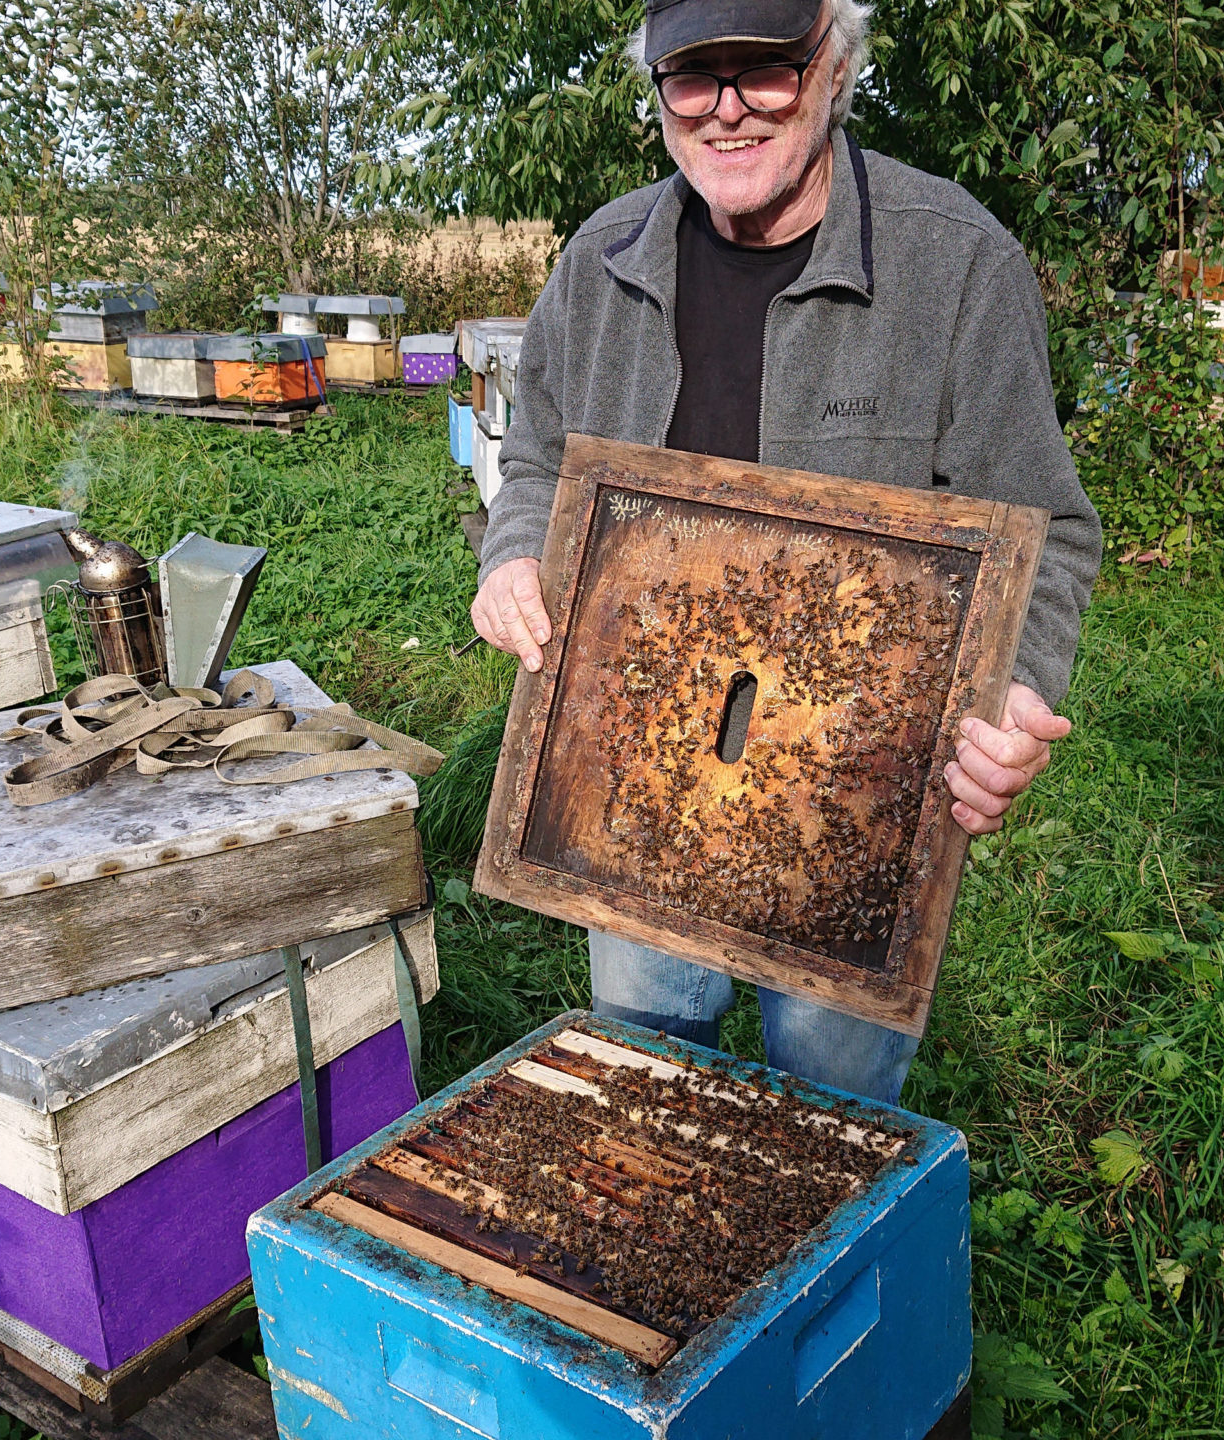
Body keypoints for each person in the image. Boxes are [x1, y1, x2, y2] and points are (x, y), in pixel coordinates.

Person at [469, 0, 1102, 1104]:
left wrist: (1010, 690)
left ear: (835, 66)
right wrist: (513, 556)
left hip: (853, 791)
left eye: (762, 71)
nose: (725, 110)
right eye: (692, 75)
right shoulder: (598, 261)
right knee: (645, 1074)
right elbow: (534, 462)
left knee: (828, 1103)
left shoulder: (955, 263)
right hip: (638, 767)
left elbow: (1040, 529)